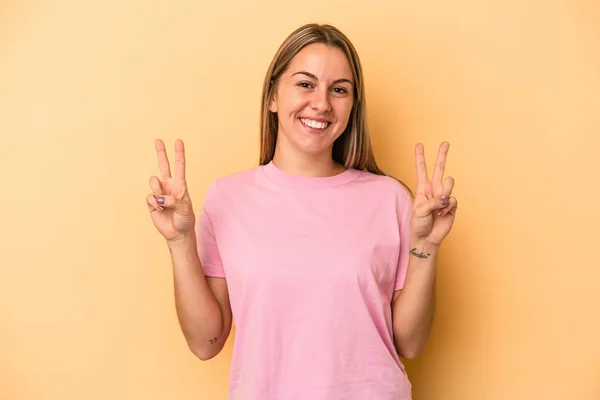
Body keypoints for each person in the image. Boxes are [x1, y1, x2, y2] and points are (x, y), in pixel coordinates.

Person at [146, 23, 457, 400]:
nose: (322, 103)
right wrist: (180, 242)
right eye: (306, 84)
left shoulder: (391, 199)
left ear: (351, 107)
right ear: (273, 96)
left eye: (339, 89)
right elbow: (206, 342)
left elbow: (408, 343)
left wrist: (426, 247)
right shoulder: (228, 198)